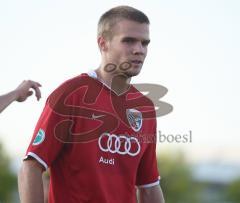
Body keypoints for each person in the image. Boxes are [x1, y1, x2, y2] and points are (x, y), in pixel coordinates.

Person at [18, 5, 165, 203]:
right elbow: (31, 167)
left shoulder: (145, 108)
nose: (139, 50)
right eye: (129, 40)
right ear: (103, 43)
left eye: (144, 43)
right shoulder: (71, 94)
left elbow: (149, 187)